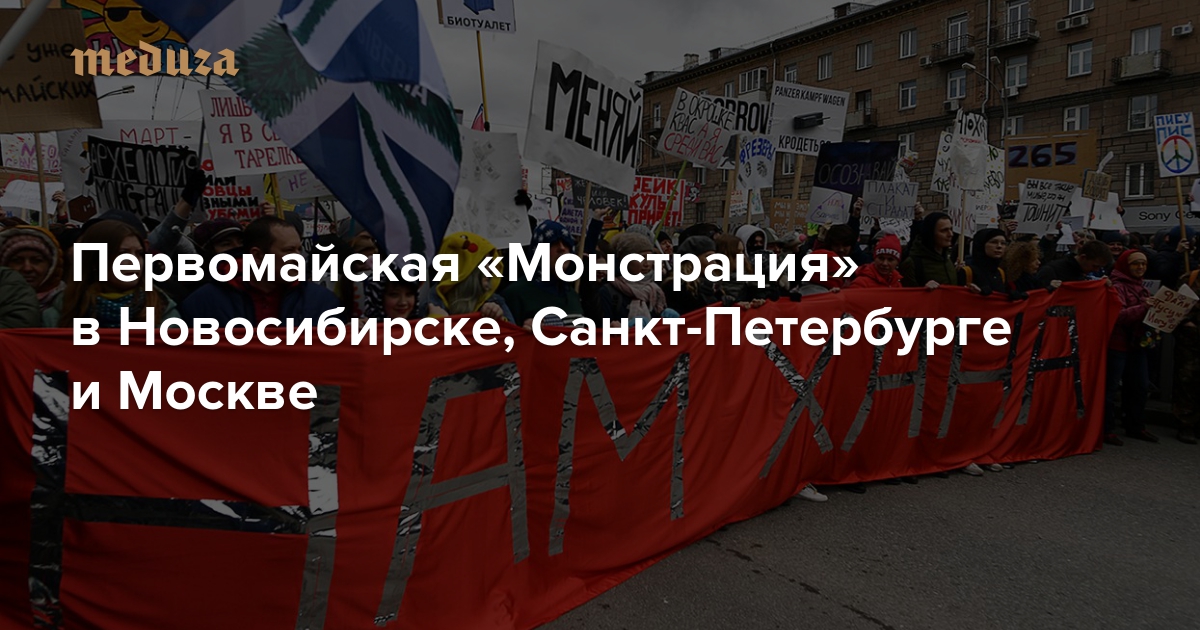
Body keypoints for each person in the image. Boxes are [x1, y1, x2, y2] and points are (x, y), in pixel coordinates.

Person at [181, 216, 340, 325]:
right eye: (288, 250)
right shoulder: (203, 303)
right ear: (257, 255)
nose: (298, 258)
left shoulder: (322, 301)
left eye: (299, 249)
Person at [45, 220, 180, 328]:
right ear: (95, 260)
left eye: (139, 253)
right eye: (122, 253)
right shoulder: (58, 315)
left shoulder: (164, 313)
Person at [1104, 250, 1160, 446]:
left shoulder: (1140, 287)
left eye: (1143, 264)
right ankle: (1105, 429)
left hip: (1136, 344)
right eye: (1136, 263)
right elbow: (1118, 316)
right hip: (1117, 344)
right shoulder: (1117, 286)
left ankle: (1135, 425)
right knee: (1110, 389)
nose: (1141, 267)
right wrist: (1144, 308)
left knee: (1139, 386)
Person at [502, 221, 583, 327]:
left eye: (566, 243)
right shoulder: (516, 295)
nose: (562, 248)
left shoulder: (573, 295)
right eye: (553, 243)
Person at [429, 232, 514, 322]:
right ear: (461, 267)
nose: (490, 269)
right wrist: (436, 321)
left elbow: (513, 331)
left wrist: (500, 321)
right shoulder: (428, 305)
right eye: (484, 263)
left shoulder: (495, 302)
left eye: (490, 262)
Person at [589, 232, 671, 321]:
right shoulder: (608, 291)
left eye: (650, 258)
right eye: (641, 258)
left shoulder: (655, 290)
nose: (647, 264)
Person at [0, 225, 65, 313]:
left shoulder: (71, 304)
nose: (27, 268)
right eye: (17, 261)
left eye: (37, 260)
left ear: (51, 265)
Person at [1173, 269, 1200, 445]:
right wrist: (1186, 322)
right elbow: (1176, 307)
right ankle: (1186, 424)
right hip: (1191, 342)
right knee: (1187, 382)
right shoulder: (1189, 278)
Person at [900, 212, 958, 289]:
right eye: (944, 230)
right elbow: (908, 294)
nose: (950, 234)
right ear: (930, 233)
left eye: (951, 229)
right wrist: (924, 290)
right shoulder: (912, 264)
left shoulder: (947, 260)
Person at [1035, 240, 1113, 289]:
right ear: (1083, 257)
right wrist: (1050, 288)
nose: (1096, 270)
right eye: (1095, 266)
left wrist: (1100, 285)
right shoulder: (1051, 271)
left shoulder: (1083, 274)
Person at [959, 228, 1008, 296]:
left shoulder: (1000, 272)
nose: (999, 246)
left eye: (1003, 243)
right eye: (993, 242)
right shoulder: (967, 272)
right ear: (981, 244)